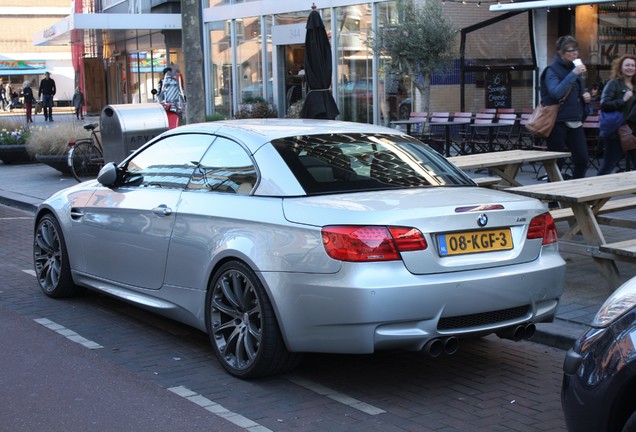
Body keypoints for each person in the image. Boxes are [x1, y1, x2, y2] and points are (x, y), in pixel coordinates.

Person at [541, 35, 592, 179]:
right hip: (557, 121)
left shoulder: (576, 69)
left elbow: (576, 93)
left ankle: (575, 192)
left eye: (576, 50)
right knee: (557, 164)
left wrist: (586, 96)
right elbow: (556, 93)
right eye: (571, 51)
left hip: (575, 120)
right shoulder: (551, 70)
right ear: (561, 53)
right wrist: (573, 74)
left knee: (582, 159)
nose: (575, 53)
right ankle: (552, 200)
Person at [597, 55, 636, 175]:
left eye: (633, 65)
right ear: (621, 68)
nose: (630, 68)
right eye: (627, 65)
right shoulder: (614, 83)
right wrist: (623, 100)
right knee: (608, 166)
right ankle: (596, 191)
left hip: (632, 131)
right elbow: (604, 104)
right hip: (617, 131)